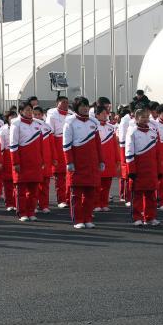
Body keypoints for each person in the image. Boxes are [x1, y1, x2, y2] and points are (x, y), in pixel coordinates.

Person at [62, 97, 104, 229]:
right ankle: (78, 220)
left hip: (91, 164)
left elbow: (98, 144)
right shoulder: (70, 122)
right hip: (77, 164)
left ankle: (88, 218)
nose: (85, 108)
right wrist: (69, 162)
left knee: (90, 194)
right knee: (76, 195)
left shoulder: (93, 122)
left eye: (86, 106)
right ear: (76, 108)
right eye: (82, 106)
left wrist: (101, 160)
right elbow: (66, 145)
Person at [8, 100, 44, 222]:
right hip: (22, 162)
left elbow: (40, 144)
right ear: (21, 111)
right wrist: (15, 163)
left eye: (31, 110)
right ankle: (22, 213)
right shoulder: (16, 124)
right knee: (21, 190)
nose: (30, 112)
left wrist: (41, 159)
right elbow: (13, 145)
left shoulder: (37, 124)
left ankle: (31, 212)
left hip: (35, 162)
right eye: (27, 110)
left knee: (34, 191)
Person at [125, 105, 160, 226]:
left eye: (147, 117)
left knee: (151, 195)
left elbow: (158, 153)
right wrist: (131, 170)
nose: (145, 119)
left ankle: (150, 217)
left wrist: (159, 169)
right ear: (136, 118)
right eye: (142, 117)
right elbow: (129, 152)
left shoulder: (153, 132)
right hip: (138, 169)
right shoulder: (132, 131)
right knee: (137, 195)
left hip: (151, 169)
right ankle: (137, 218)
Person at [46, 96, 71, 208]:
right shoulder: (52, 115)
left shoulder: (71, 114)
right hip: (58, 144)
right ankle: (61, 199)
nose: (65, 104)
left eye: (67, 102)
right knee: (60, 175)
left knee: (70, 174)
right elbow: (50, 134)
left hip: (69, 144)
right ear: (57, 103)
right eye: (63, 102)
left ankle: (69, 198)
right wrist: (54, 153)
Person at [95, 103, 119, 212]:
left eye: (106, 113)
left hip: (110, 159)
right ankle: (96, 204)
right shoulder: (93, 126)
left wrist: (117, 159)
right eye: (103, 113)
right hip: (98, 160)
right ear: (97, 115)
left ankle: (104, 203)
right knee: (97, 184)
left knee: (107, 184)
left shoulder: (111, 127)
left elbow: (114, 145)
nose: (106, 115)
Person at [0, 111, 17, 212]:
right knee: (8, 182)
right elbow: (1, 146)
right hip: (6, 155)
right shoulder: (3, 129)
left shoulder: (19, 127)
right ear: (7, 119)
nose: (13, 119)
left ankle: (16, 202)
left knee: (17, 182)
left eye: (15, 117)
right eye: (11, 117)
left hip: (17, 153)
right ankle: (9, 203)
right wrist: (0, 160)